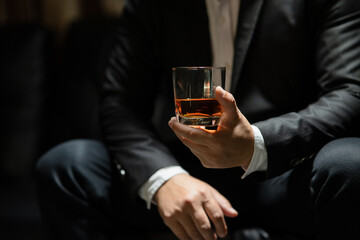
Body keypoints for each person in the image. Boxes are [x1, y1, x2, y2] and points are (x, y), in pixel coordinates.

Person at [36, 0, 360, 239]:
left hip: (284, 171)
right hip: (187, 170)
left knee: (349, 162)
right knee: (68, 165)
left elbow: (349, 92)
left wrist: (255, 144)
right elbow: (120, 104)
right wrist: (163, 178)